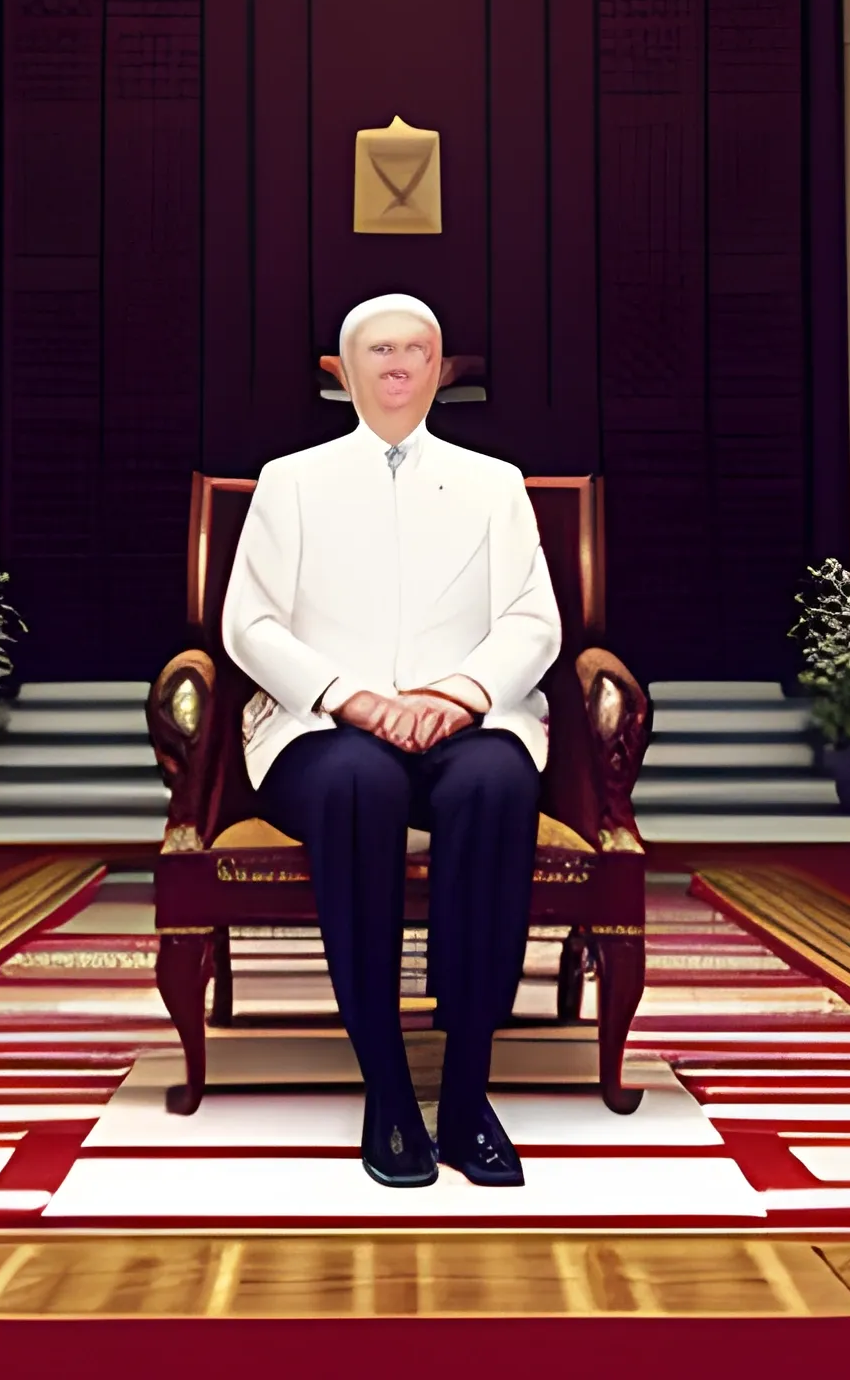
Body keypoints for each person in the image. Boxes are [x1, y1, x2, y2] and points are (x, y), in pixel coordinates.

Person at [222, 294, 558, 1188]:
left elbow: (533, 622)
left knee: (495, 783)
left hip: (464, 720)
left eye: (417, 349)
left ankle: (467, 1089)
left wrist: (459, 693)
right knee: (357, 785)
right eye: (379, 349)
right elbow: (248, 624)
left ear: (441, 369)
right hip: (325, 727)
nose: (399, 362)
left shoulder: (496, 482)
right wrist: (351, 698)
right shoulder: (291, 480)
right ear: (344, 370)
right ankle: (387, 1088)